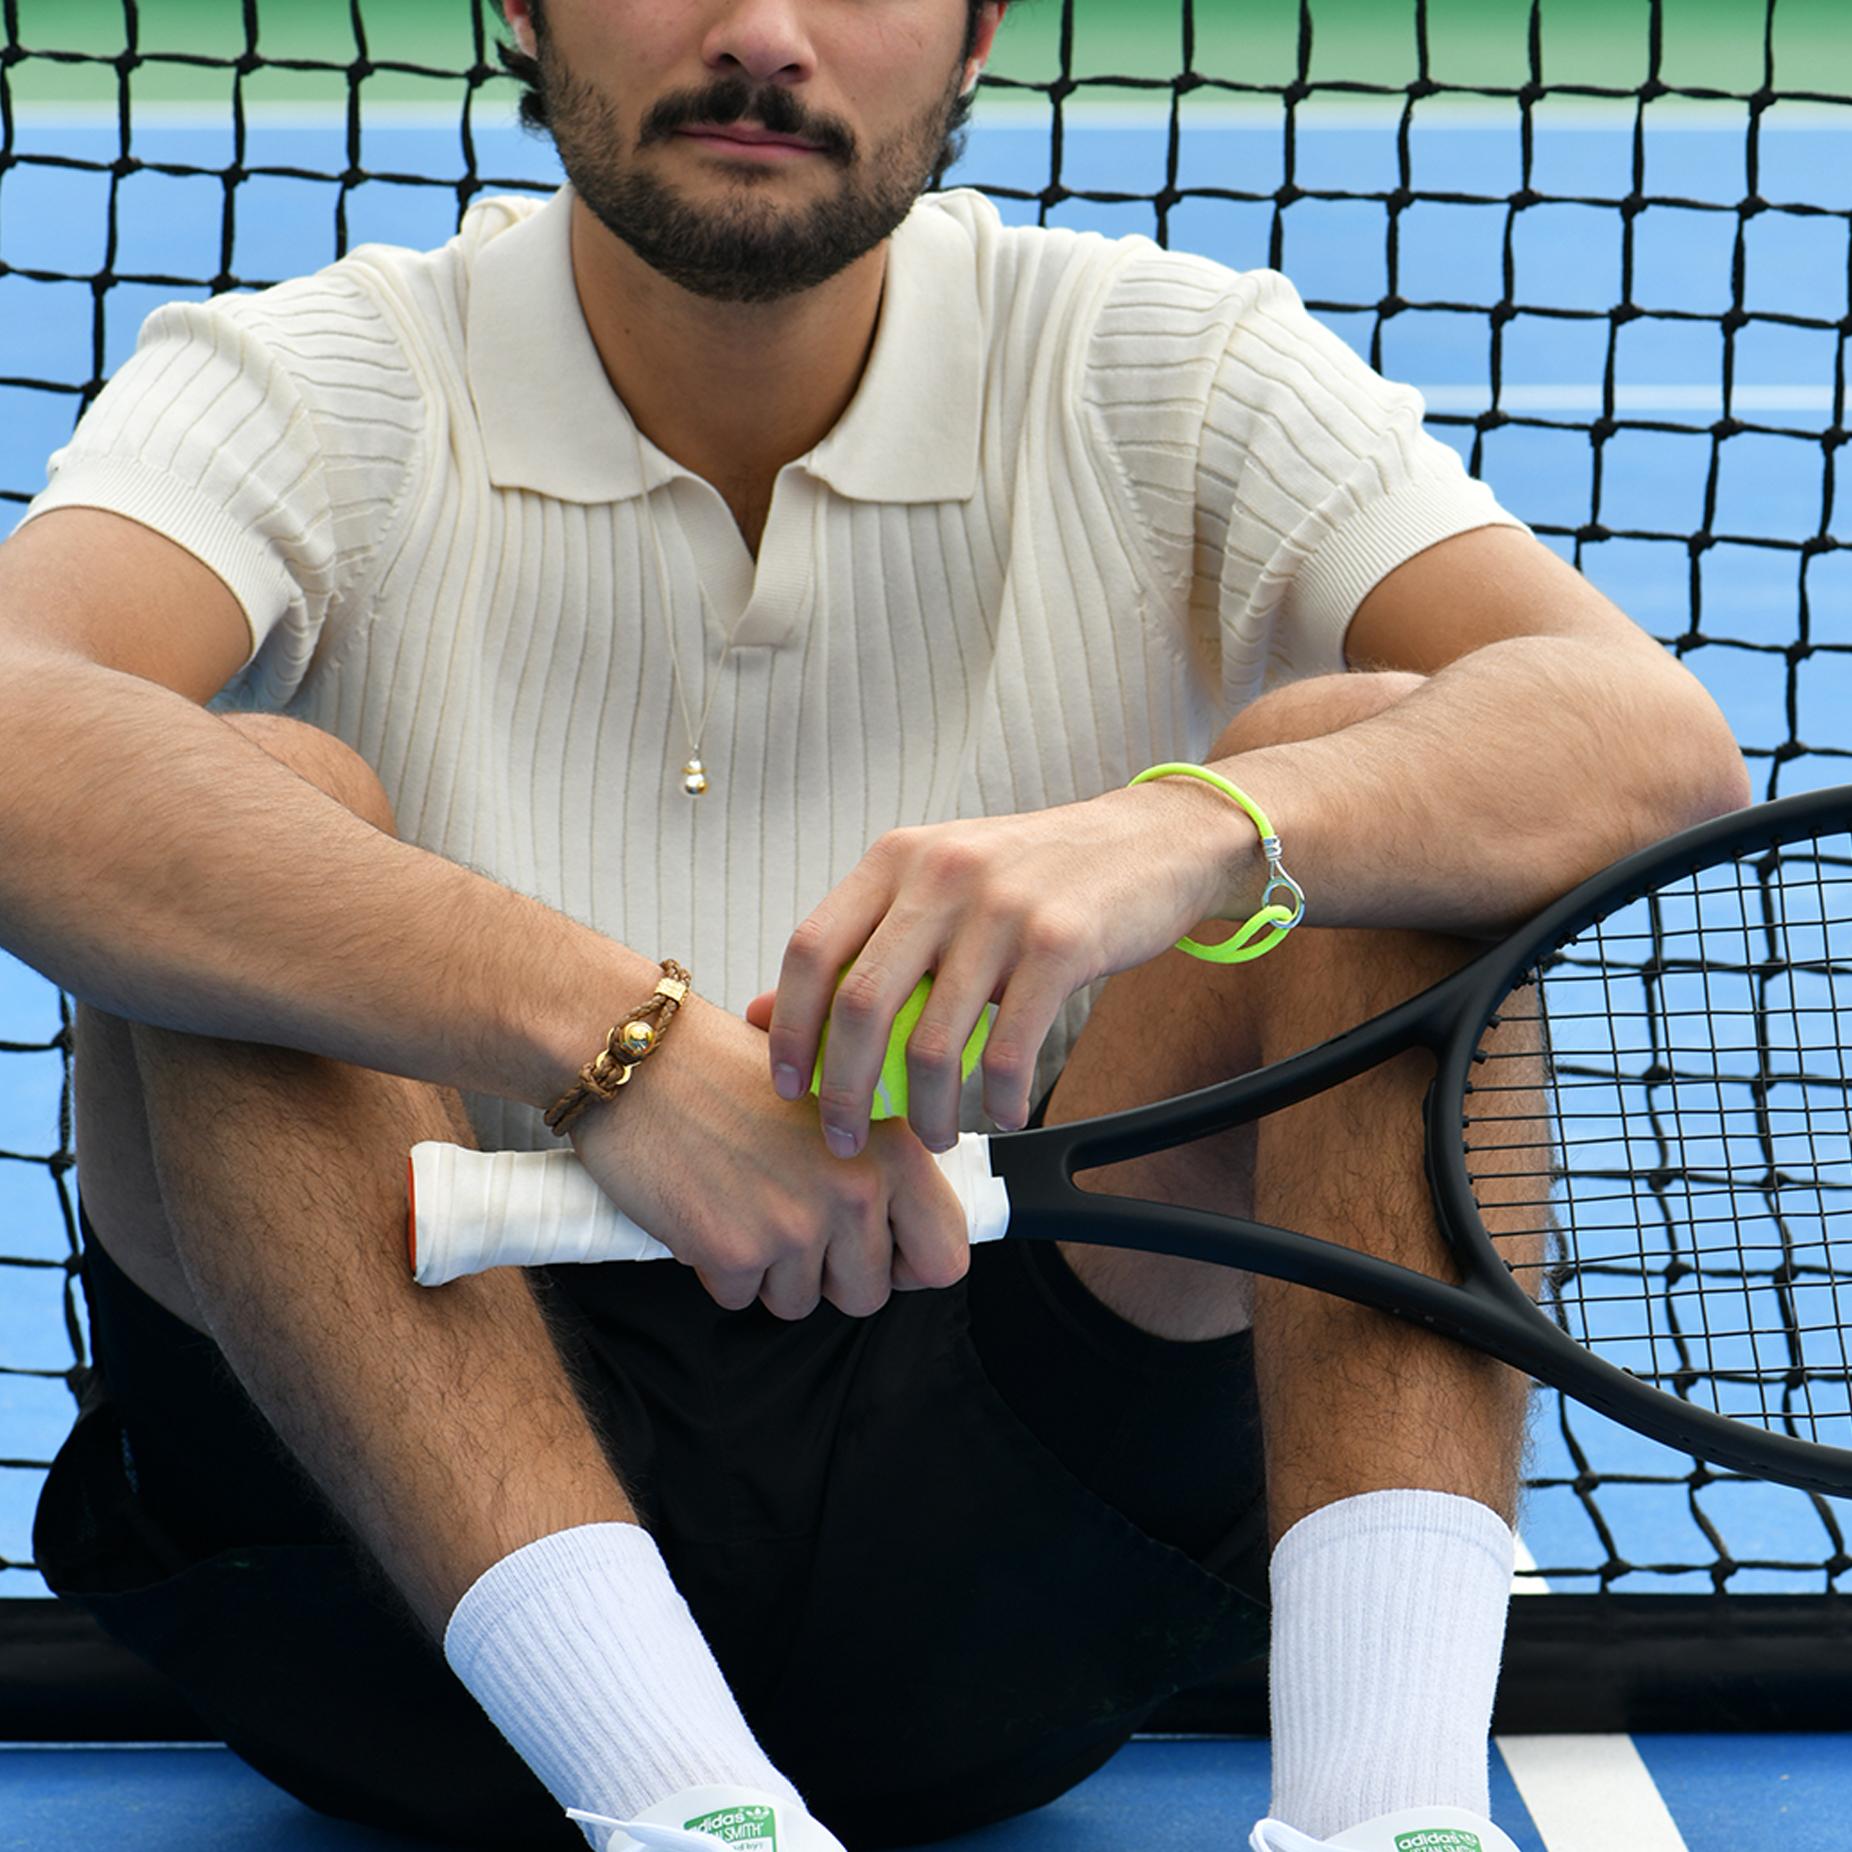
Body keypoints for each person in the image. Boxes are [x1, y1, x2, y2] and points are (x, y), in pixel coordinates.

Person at [2, 1, 1748, 1849]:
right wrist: (623, 1048)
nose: (764, 31)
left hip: (1006, 1558)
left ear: (982, 25)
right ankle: (687, 1812)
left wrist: (1187, 836)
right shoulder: (305, 377)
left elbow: (1645, 735)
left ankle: (1388, 1818)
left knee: (1361, 787)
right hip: (385, 1557)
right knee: (240, 814)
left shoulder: (1158, 358)